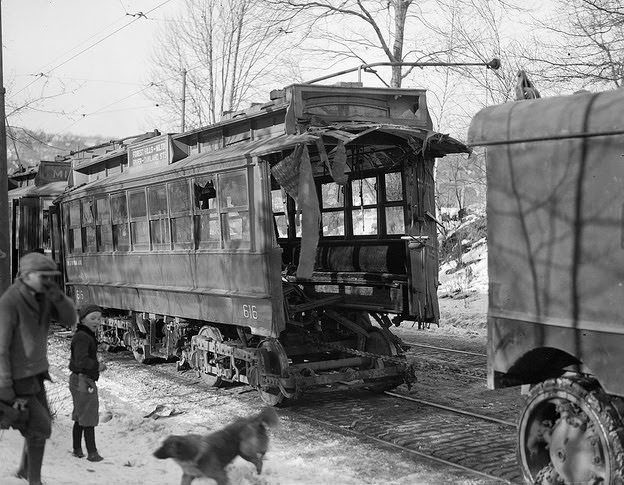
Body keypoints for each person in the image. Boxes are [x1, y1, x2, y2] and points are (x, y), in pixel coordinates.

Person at [0, 252, 76, 485]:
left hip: (36, 373)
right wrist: (4, 386)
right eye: (43, 277)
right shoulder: (10, 302)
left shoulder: (43, 297)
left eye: (50, 277)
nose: (48, 281)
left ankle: (25, 471)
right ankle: (34, 480)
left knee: (38, 426)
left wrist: (59, 297)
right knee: (40, 425)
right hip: (17, 376)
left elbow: (70, 318)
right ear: (27, 275)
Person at [69, 304, 106, 462]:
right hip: (83, 380)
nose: (96, 321)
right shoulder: (83, 337)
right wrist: (98, 365)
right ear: (83, 319)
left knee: (80, 415)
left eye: (98, 318)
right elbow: (81, 360)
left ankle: (77, 449)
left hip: (78, 378)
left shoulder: (83, 334)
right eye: (92, 318)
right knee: (89, 415)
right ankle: (92, 453)